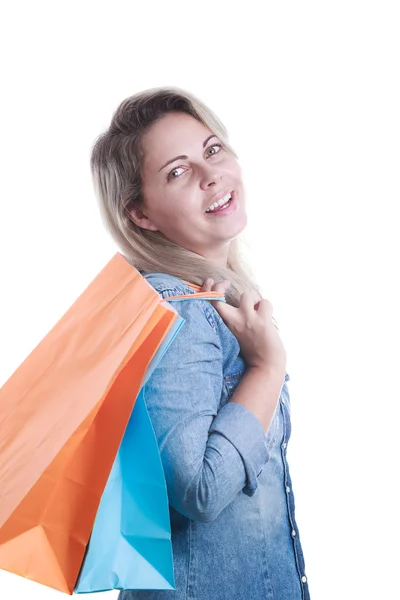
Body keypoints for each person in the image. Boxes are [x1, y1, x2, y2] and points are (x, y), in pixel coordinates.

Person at [90, 86, 310, 599]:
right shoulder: (180, 309)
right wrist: (265, 367)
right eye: (177, 171)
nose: (211, 174)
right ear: (140, 214)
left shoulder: (208, 300)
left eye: (212, 150)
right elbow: (201, 491)